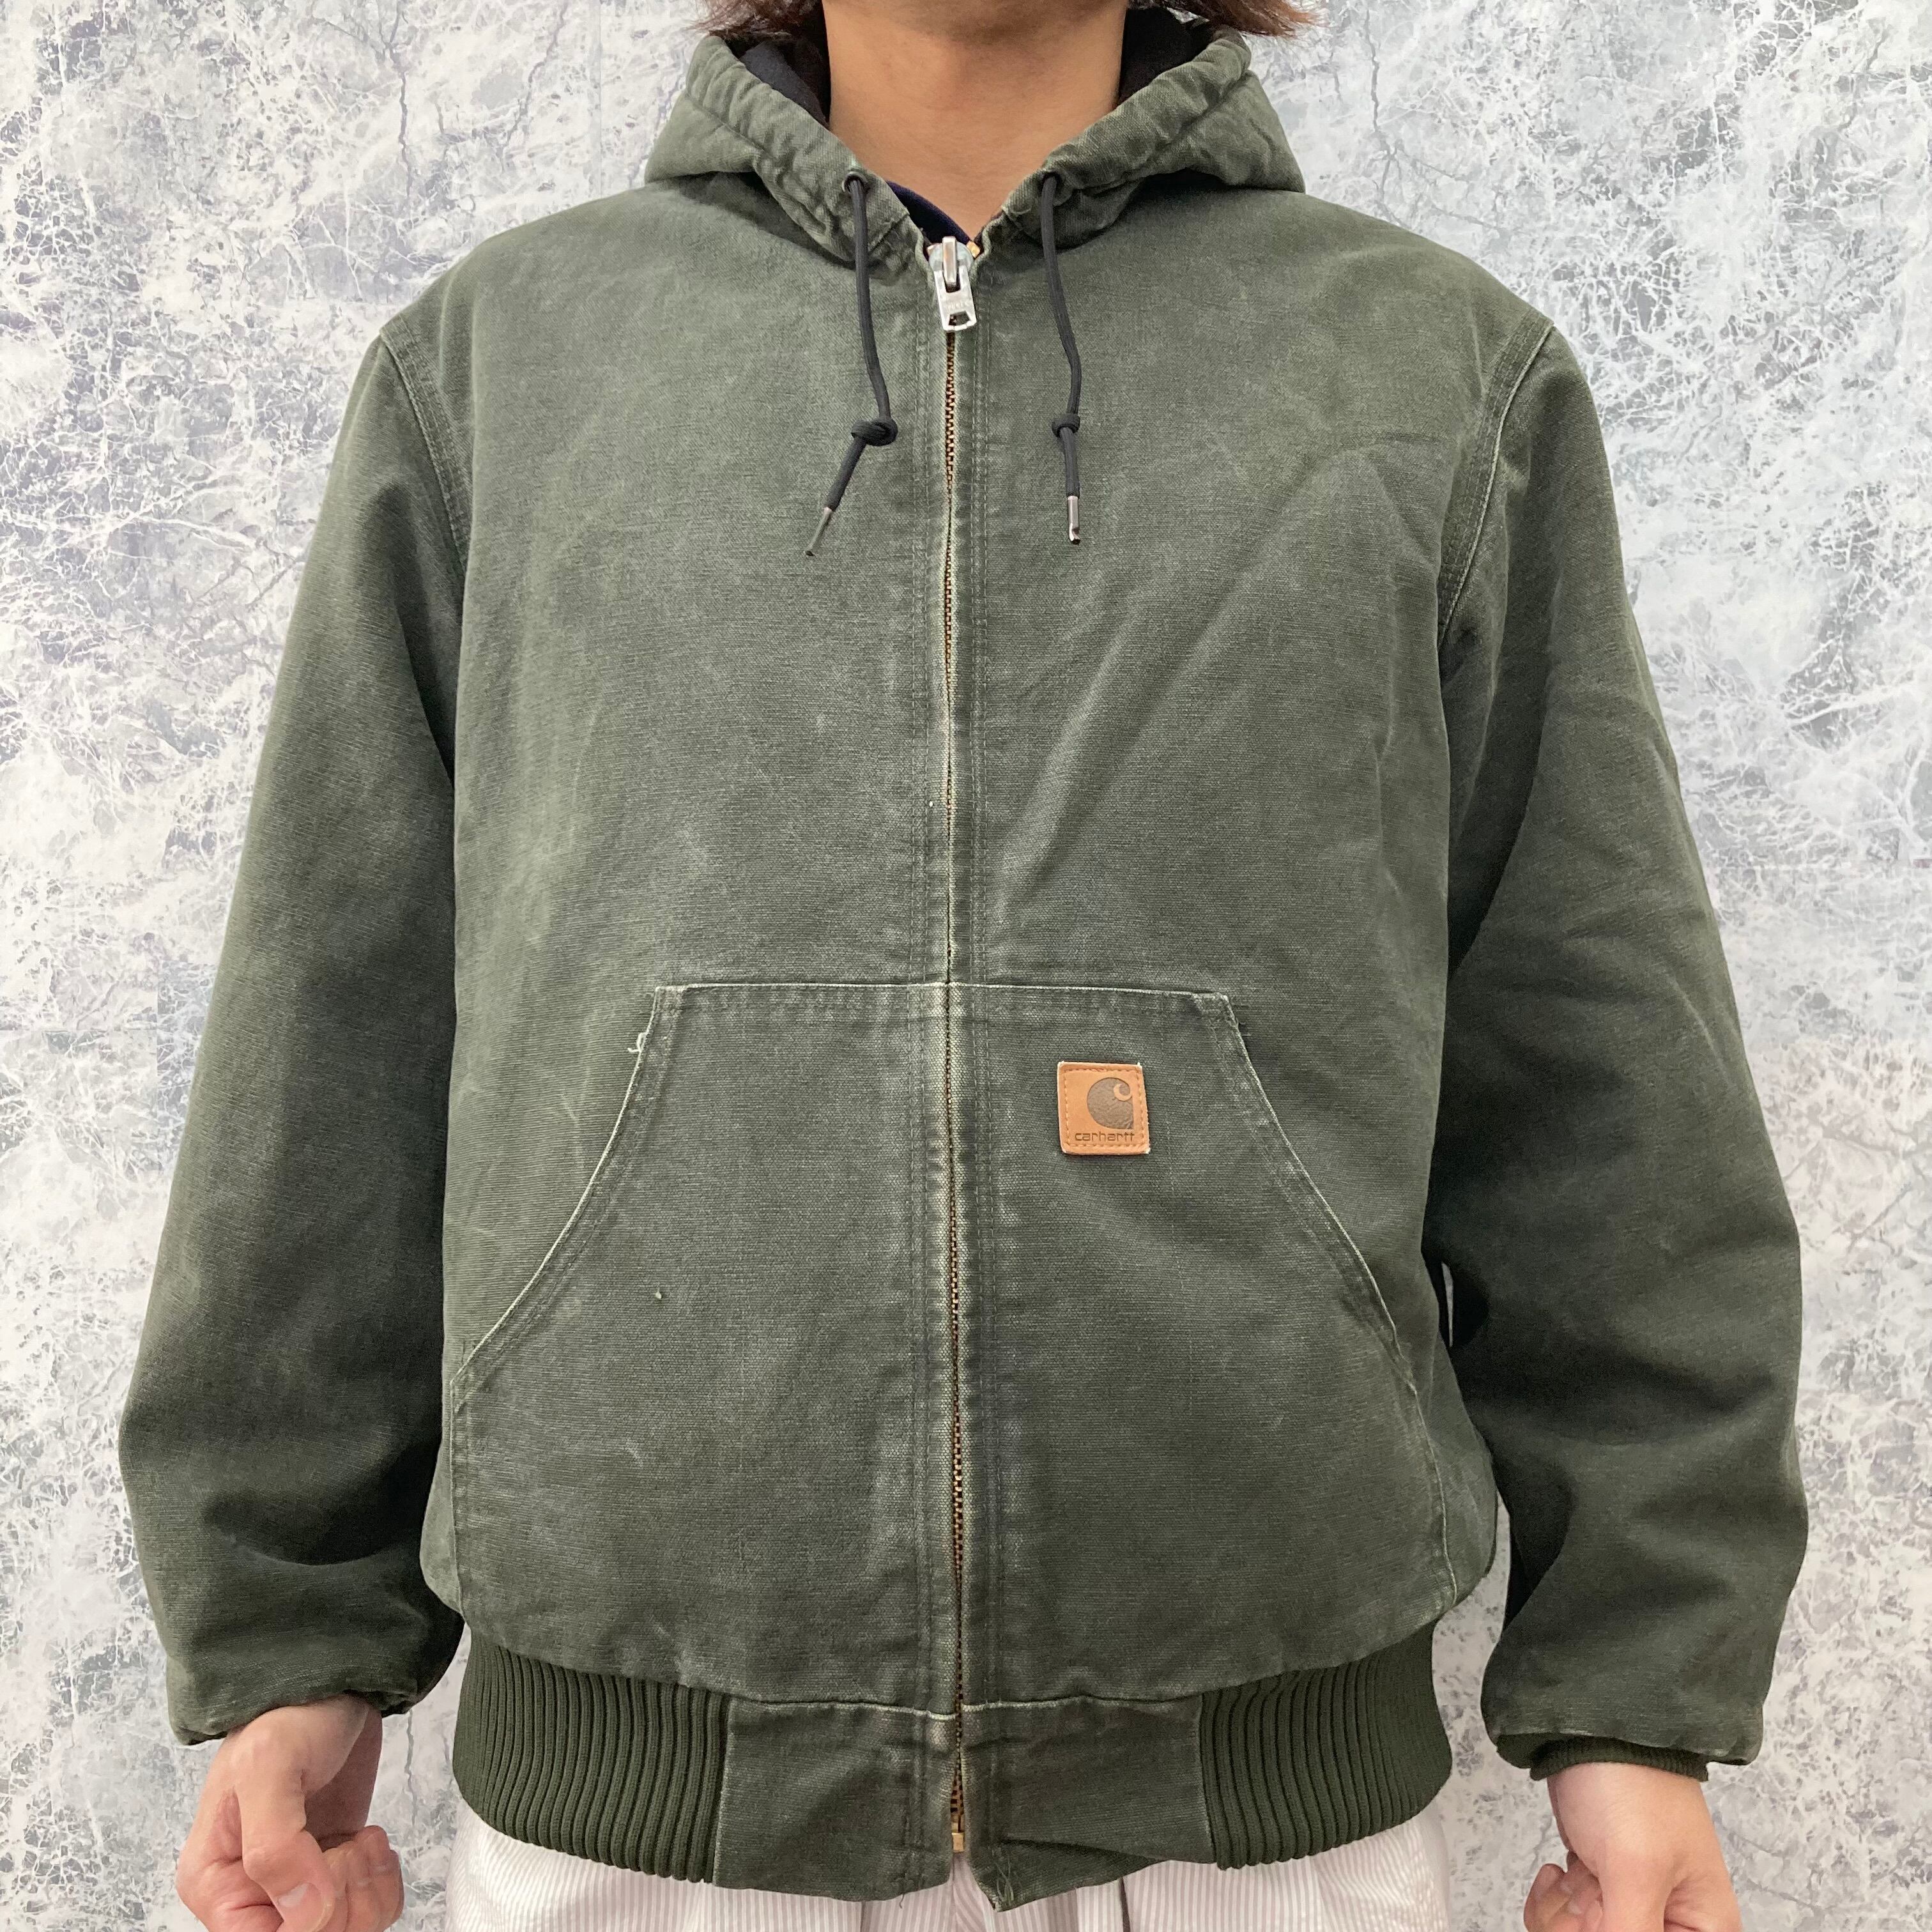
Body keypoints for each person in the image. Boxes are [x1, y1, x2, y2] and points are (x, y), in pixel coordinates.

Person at [116, 1, 1809, 1929]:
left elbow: (1598, 1064)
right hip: (636, 1835)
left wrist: (1636, 1707)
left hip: (1269, 1842)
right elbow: (333, 1033)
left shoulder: (1435, 377)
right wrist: (292, 1640)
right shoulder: (502, 370)